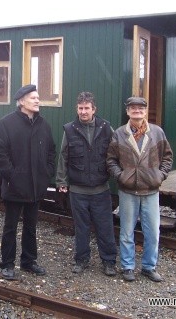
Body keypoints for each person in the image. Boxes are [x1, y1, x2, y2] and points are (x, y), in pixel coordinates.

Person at [0, 84, 56, 280]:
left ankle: (29, 261)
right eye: (33, 98)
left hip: (36, 187)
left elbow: (51, 152)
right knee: (10, 227)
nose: (37, 100)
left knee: (31, 226)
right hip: (14, 187)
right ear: (21, 101)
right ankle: (7, 263)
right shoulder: (6, 123)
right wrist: (13, 176)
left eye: (38, 97)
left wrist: (47, 174)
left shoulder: (43, 125)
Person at [106, 96, 173, 283]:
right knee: (127, 231)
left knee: (153, 231)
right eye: (133, 108)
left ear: (145, 111)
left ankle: (149, 267)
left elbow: (167, 157)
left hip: (151, 190)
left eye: (140, 108)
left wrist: (160, 176)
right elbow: (110, 160)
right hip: (128, 191)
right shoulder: (119, 134)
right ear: (127, 112)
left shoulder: (157, 133)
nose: (137, 111)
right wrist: (121, 176)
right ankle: (127, 266)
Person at [56, 92, 117, 276]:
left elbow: (115, 154)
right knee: (81, 228)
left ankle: (109, 262)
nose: (83, 112)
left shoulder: (106, 128)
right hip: (78, 190)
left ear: (94, 109)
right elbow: (63, 156)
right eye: (80, 108)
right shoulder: (69, 129)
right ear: (77, 109)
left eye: (87, 108)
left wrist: (120, 176)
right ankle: (81, 260)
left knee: (105, 227)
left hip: (101, 190)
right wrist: (61, 181)